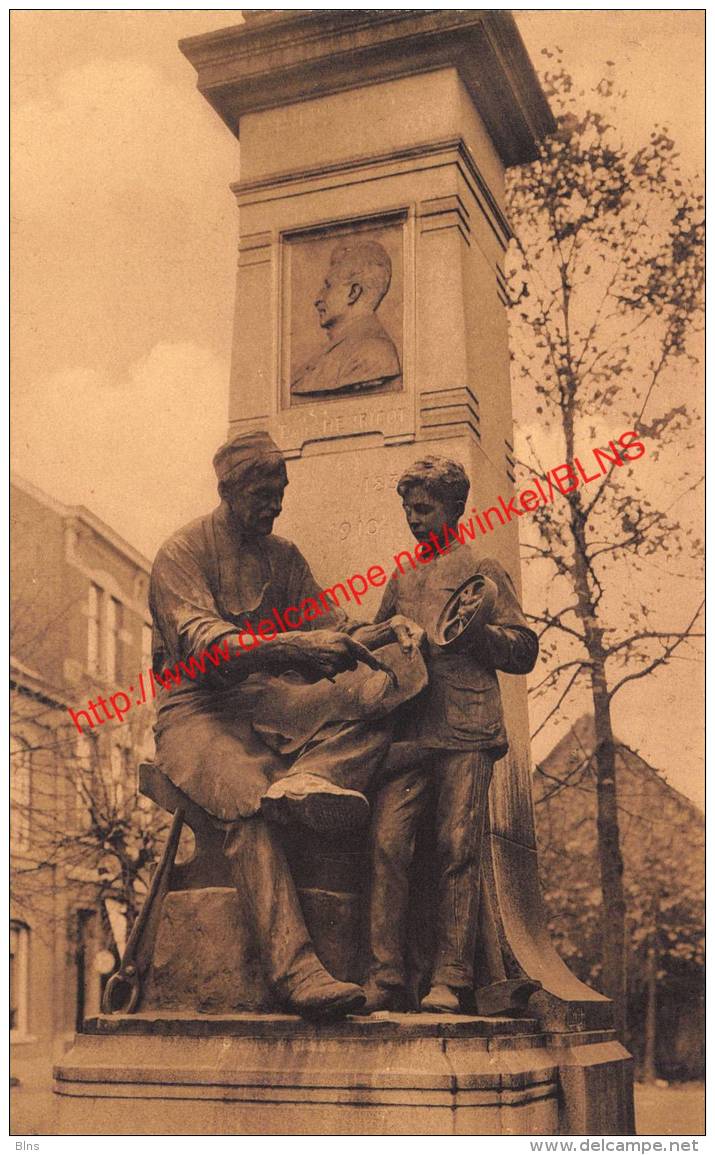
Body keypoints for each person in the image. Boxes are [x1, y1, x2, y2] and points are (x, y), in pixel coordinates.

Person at [149, 429, 425, 1019]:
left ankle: (313, 779)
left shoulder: (284, 556)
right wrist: (293, 647)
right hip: (196, 709)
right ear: (229, 491)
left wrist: (385, 632)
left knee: (378, 695)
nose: (275, 506)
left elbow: (334, 624)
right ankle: (297, 972)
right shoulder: (183, 553)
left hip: (265, 701)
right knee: (249, 798)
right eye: (264, 495)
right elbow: (206, 646)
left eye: (281, 492)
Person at [360, 455, 539, 1013]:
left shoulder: (482, 569)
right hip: (410, 729)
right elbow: (368, 639)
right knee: (388, 843)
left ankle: (452, 977)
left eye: (424, 508)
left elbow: (523, 648)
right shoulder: (403, 577)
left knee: (456, 847)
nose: (414, 519)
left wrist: (474, 636)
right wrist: (389, 632)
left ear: (455, 507)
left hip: (466, 727)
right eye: (408, 509)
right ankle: (386, 975)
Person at [290, 239, 401, 397]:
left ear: (353, 293)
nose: (318, 298)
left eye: (328, 286)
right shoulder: (341, 348)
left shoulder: (374, 353)